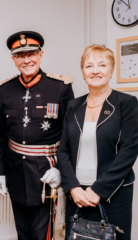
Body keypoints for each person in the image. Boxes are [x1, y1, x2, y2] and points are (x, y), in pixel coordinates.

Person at [0, 31, 75, 240]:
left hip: (46, 172)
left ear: (41, 55)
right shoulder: (6, 89)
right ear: (14, 60)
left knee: (42, 235)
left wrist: (60, 170)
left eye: (31, 54)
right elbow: (2, 135)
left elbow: (70, 136)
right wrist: (0, 171)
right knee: (23, 233)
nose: (27, 60)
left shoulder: (60, 87)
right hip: (15, 171)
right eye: (21, 56)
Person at [57, 44, 138, 240]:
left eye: (102, 65)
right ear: (83, 72)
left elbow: (129, 150)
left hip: (113, 193)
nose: (95, 71)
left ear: (112, 70)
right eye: (89, 66)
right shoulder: (73, 105)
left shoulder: (126, 103)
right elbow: (63, 150)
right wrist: (73, 187)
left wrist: (98, 190)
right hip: (77, 194)